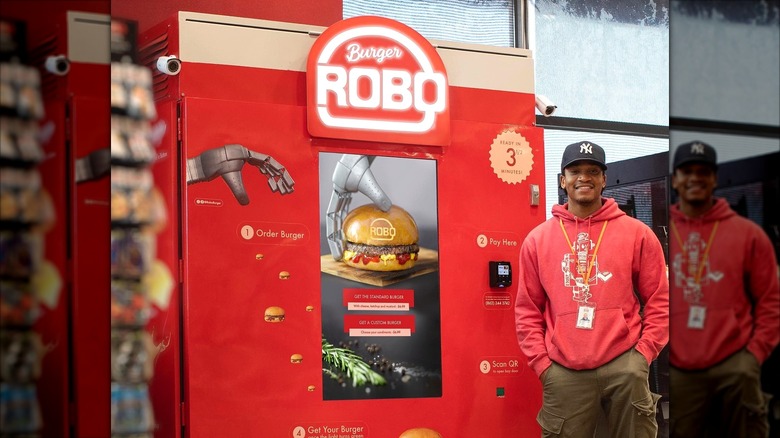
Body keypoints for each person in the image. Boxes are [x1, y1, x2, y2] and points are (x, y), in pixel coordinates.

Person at [515, 141, 668, 437]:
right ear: (563, 180)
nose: (584, 177)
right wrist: (544, 366)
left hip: (625, 364)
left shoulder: (637, 234)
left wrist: (643, 355)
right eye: (575, 171)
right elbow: (527, 310)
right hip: (563, 370)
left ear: (603, 180)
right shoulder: (537, 240)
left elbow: (660, 300)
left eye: (593, 171)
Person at [668, 141, 779, 438]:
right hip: (680, 371)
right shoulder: (660, 233)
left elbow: (771, 302)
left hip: (735, 366)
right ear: (675, 179)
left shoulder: (748, 235)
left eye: (703, 171)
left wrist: (753, 357)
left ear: (715, 179)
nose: (695, 177)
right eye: (687, 171)